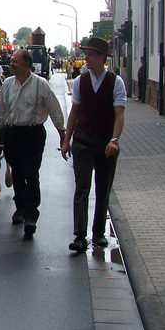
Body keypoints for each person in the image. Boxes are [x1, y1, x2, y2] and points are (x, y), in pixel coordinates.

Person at [0, 49, 66, 238]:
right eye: (11, 61)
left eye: (15, 61)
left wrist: (63, 135)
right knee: (17, 174)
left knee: (31, 173)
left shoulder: (41, 84)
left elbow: (54, 110)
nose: (11, 64)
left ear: (26, 65)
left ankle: (31, 215)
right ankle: (20, 208)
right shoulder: (7, 84)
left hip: (34, 134)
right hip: (13, 133)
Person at [60, 37, 126, 253]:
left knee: (103, 188)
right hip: (83, 140)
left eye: (90, 54)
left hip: (106, 141)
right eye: (86, 53)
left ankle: (98, 233)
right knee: (81, 188)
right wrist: (66, 140)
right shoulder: (80, 81)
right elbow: (74, 112)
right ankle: (80, 235)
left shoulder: (116, 82)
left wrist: (114, 140)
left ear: (101, 57)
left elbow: (119, 115)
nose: (86, 57)